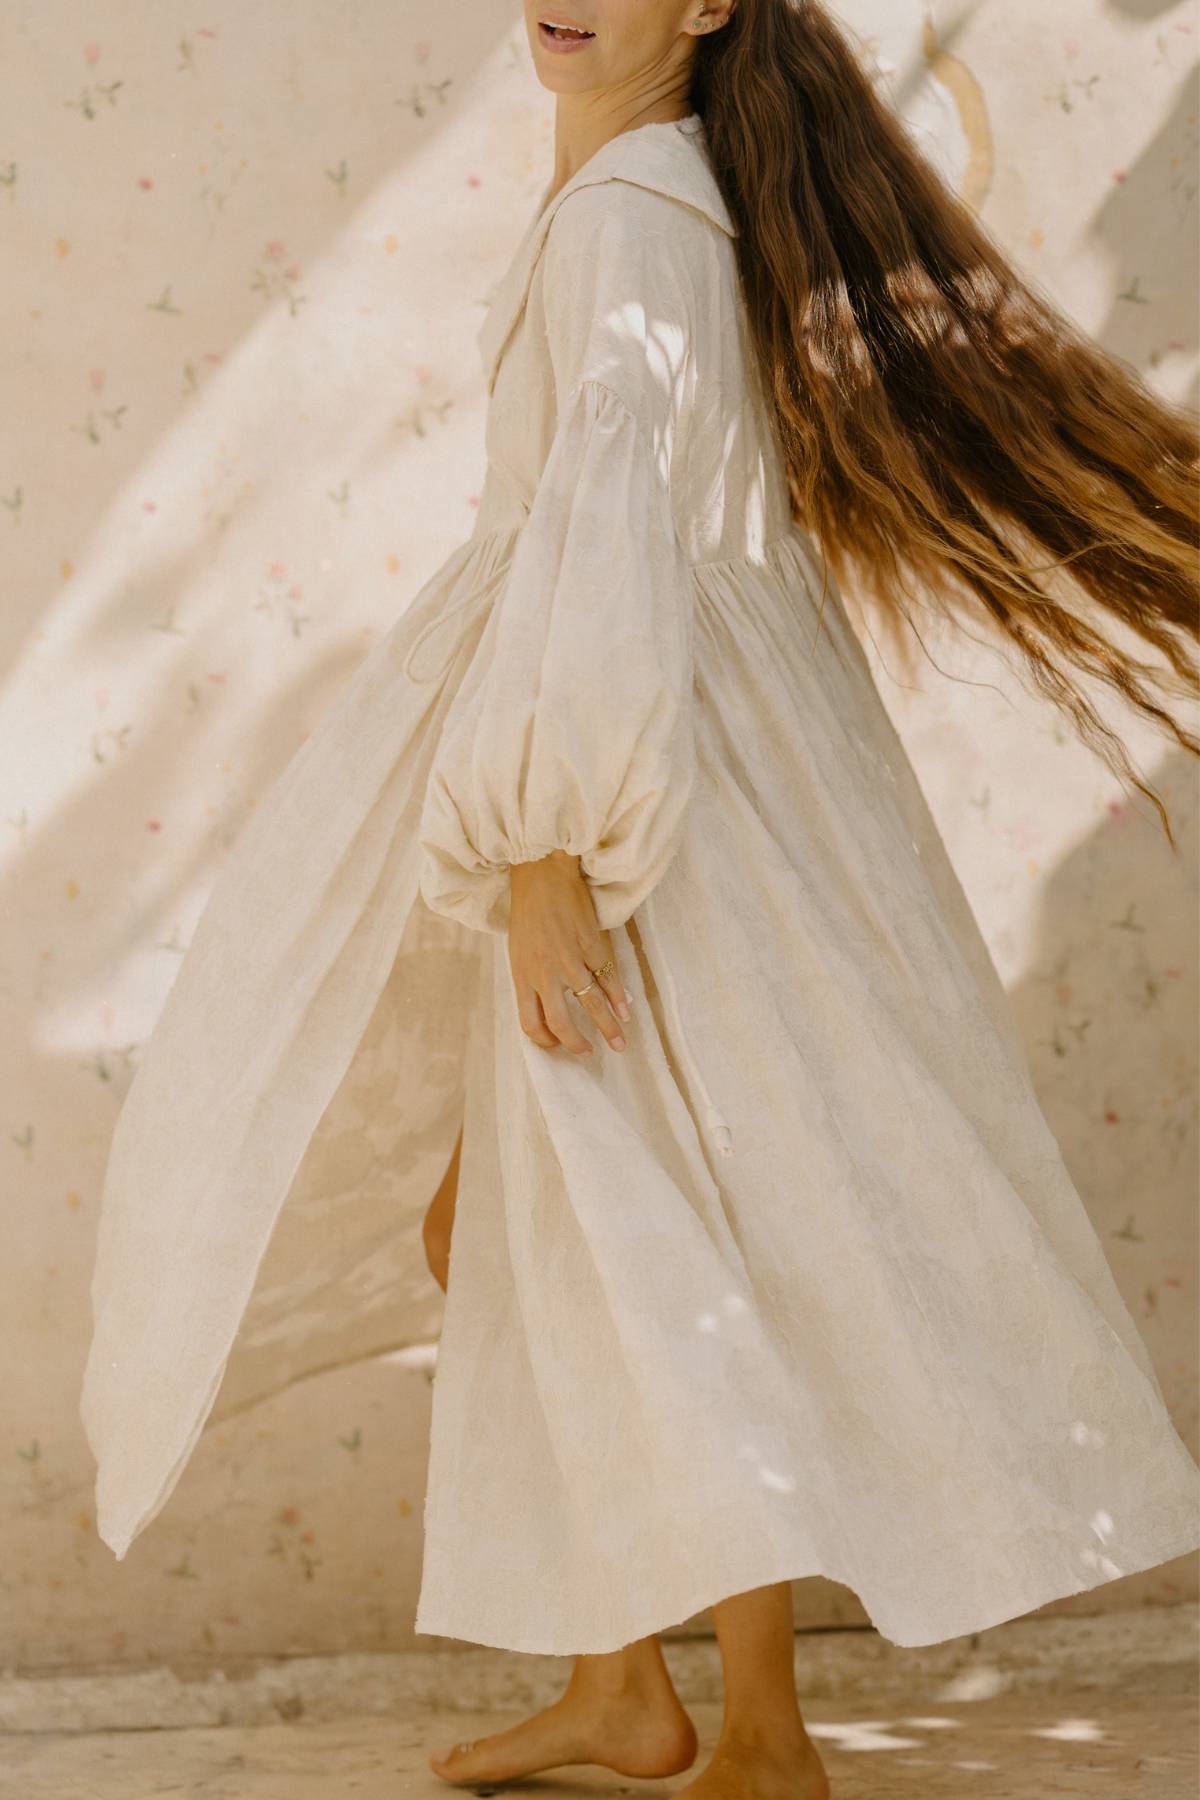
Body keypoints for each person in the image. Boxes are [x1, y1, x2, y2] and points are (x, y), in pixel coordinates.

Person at [80, 6, 1199, 1799]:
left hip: (650, 793)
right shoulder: (653, 190)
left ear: (709, 5)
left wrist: (546, 853)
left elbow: (606, 536)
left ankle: (758, 1726)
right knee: (553, 1223)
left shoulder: (631, 216)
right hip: (692, 752)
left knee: (649, 1234)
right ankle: (634, 1685)